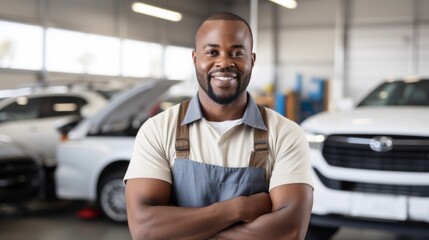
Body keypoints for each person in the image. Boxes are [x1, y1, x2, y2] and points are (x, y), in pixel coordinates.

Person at [124, 12, 313, 240]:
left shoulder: (286, 134)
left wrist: (187, 231)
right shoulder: (158, 130)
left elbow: (289, 231)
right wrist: (238, 209)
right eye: (212, 52)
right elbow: (145, 229)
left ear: (251, 61)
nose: (224, 62)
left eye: (236, 53)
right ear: (195, 59)